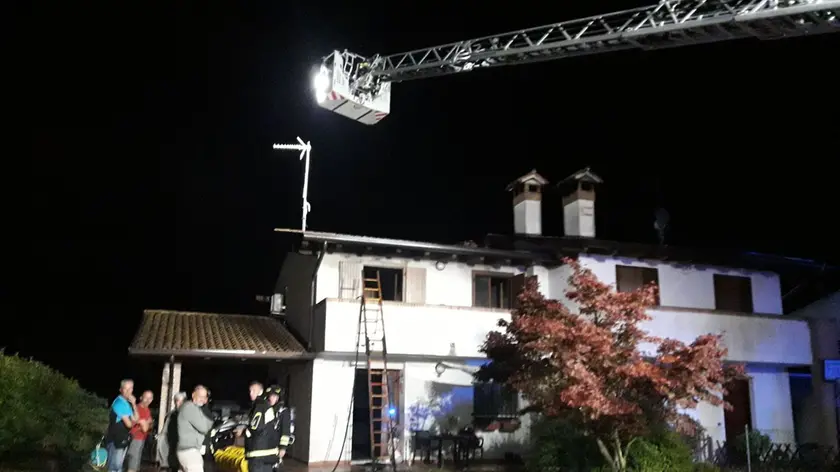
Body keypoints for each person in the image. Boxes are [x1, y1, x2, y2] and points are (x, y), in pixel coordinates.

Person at [238, 382, 280, 472]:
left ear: (260, 392)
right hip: (268, 453)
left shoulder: (259, 406)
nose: (251, 393)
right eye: (250, 391)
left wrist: (243, 431)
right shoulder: (265, 406)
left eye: (254, 391)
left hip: (258, 453)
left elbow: (256, 427)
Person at [177, 385, 215, 472]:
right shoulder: (190, 407)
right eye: (199, 396)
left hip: (185, 451)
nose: (202, 399)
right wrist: (209, 422)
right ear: (193, 395)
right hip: (190, 452)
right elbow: (205, 428)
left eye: (204, 397)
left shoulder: (193, 408)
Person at [105, 379, 139, 472]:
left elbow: (135, 419)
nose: (128, 391)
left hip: (122, 440)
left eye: (130, 388)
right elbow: (129, 424)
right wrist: (135, 423)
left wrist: (134, 404)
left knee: (118, 467)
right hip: (115, 441)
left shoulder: (127, 403)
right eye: (125, 389)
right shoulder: (119, 403)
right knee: (114, 468)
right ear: (120, 389)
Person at [264, 385, 293, 469]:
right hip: (266, 445)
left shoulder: (283, 412)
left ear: (278, 398)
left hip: (276, 446)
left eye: (274, 396)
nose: (271, 398)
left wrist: (283, 448)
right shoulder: (266, 410)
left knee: (275, 467)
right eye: (270, 396)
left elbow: (285, 431)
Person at [126, 390, 154, 472]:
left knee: (136, 465)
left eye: (150, 398)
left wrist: (147, 424)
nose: (148, 400)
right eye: (146, 397)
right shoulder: (137, 409)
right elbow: (133, 424)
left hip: (141, 439)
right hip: (135, 439)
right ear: (141, 398)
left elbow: (150, 424)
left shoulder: (147, 410)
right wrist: (144, 424)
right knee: (132, 466)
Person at [157, 391, 186, 471]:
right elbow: (164, 433)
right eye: (177, 401)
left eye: (182, 401)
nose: (179, 403)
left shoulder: (187, 414)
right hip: (171, 448)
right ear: (175, 402)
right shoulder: (170, 415)